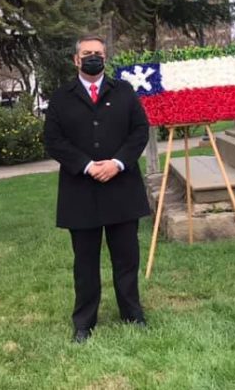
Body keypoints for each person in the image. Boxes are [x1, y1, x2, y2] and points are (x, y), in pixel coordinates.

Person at [43, 34, 151, 343]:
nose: (93, 57)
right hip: (81, 191)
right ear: (76, 60)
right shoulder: (61, 97)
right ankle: (84, 323)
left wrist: (117, 163)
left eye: (98, 53)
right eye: (87, 53)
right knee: (85, 263)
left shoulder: (125, 91)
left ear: (106, 58)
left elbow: (139, 131)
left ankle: (132, 313)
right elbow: (53, 140)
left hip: (122, 188)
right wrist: (88, 165)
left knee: (127, 259)